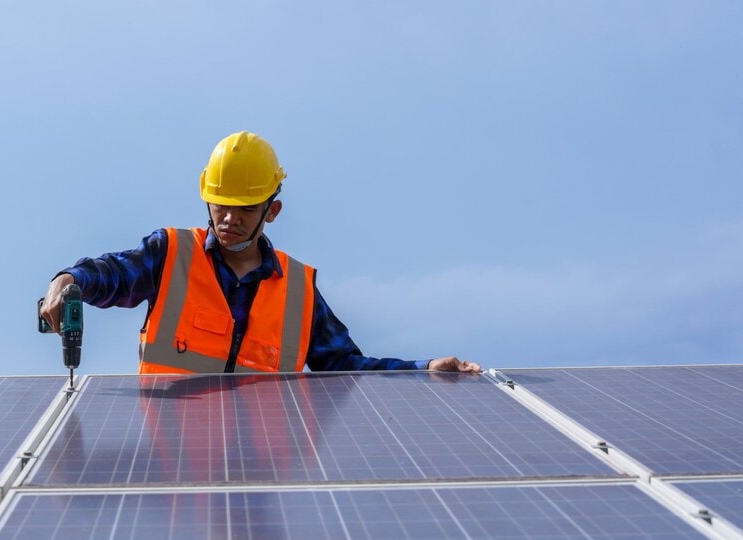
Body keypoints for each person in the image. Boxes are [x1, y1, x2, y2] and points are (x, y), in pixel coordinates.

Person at [40, 131, 481, 375]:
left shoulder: (299, 291)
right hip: (171, 471)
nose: (229, 220)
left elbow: (345, 366)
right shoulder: (169, 253)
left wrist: (424, 369)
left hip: (262, 477)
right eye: (221, 206)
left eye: (245, 209)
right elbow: (107, 274)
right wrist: (65, 283)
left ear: (272, 210)